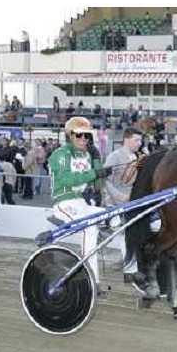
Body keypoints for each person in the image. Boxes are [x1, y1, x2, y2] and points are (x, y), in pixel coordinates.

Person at [48, 117, 113, 293]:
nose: (84, 138)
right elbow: (67, 179)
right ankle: (90, 279)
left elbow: (96, 185)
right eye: (80, 135)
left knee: (116, 217)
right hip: (64, 203)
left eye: (87, 135)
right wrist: (94, 173)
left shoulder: (85, 154)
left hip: (82, 203)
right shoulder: (60, 154)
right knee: (88, 228)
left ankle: (132, 269)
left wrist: (97, 162)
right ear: (70, 135)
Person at [103, 127, 148, 294]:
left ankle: (133, 268)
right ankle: (130, 270)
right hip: (116, 204)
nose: (139, 143)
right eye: (136, 140)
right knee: (127, 233)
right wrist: (118, 198)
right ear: (127, 139)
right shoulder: (114, 157)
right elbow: (105, 180)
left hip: (131, 203)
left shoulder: (137, 157)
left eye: (140, 141)